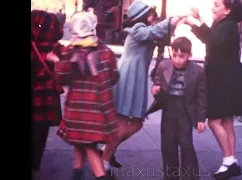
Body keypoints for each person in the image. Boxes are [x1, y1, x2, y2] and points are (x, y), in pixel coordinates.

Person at [99, 0, 189, 172]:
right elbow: (156, 31)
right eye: (149, 13)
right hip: (128, 78)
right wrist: (176, 18)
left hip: (135, 78)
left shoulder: (143, 30)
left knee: (135, 124)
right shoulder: (138, 29)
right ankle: (104, 160)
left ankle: (106, 149)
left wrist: (179, 23)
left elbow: (160, 34)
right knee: (124, 123)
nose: (152, 15)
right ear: (141, 16)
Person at [182, 0, 242, 179]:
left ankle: (228, 161)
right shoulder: (224, 25)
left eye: (216, 5)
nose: (212, 8)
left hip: (223, 80)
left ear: (227, 10)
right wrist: (198, 19)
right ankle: (233, 161)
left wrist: (193, 23)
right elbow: (211, 38)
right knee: (227, 122)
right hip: (226, 78)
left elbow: (212, 39)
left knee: (214, 121)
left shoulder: (228, 26)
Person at [46, 11, 119, 180]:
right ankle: (76, 176)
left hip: (79, 110)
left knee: (89, 146)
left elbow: (61, 77)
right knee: (81, 144)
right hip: (101, 108)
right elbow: (114, 77)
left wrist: (56, 61)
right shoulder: (106, 51)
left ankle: (101, 176)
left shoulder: (70, 52)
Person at [150, 37, 206, 180]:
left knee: (186, 145)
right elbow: (158, 85)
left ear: (189, 55)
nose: (177, 60)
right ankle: (170, 177)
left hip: (185, 111)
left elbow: (201, 96)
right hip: (169, 109)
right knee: (168, 146)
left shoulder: (198, 71)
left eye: (182, 56)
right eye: (174, 55)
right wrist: (155, 90)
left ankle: (190, 177)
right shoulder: (163, 66)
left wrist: (201, 119)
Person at [31, 9, 64, 180]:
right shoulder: (57, 48)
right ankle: (34, 166)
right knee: (40, 135)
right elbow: (68, 71)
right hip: (46, 100)